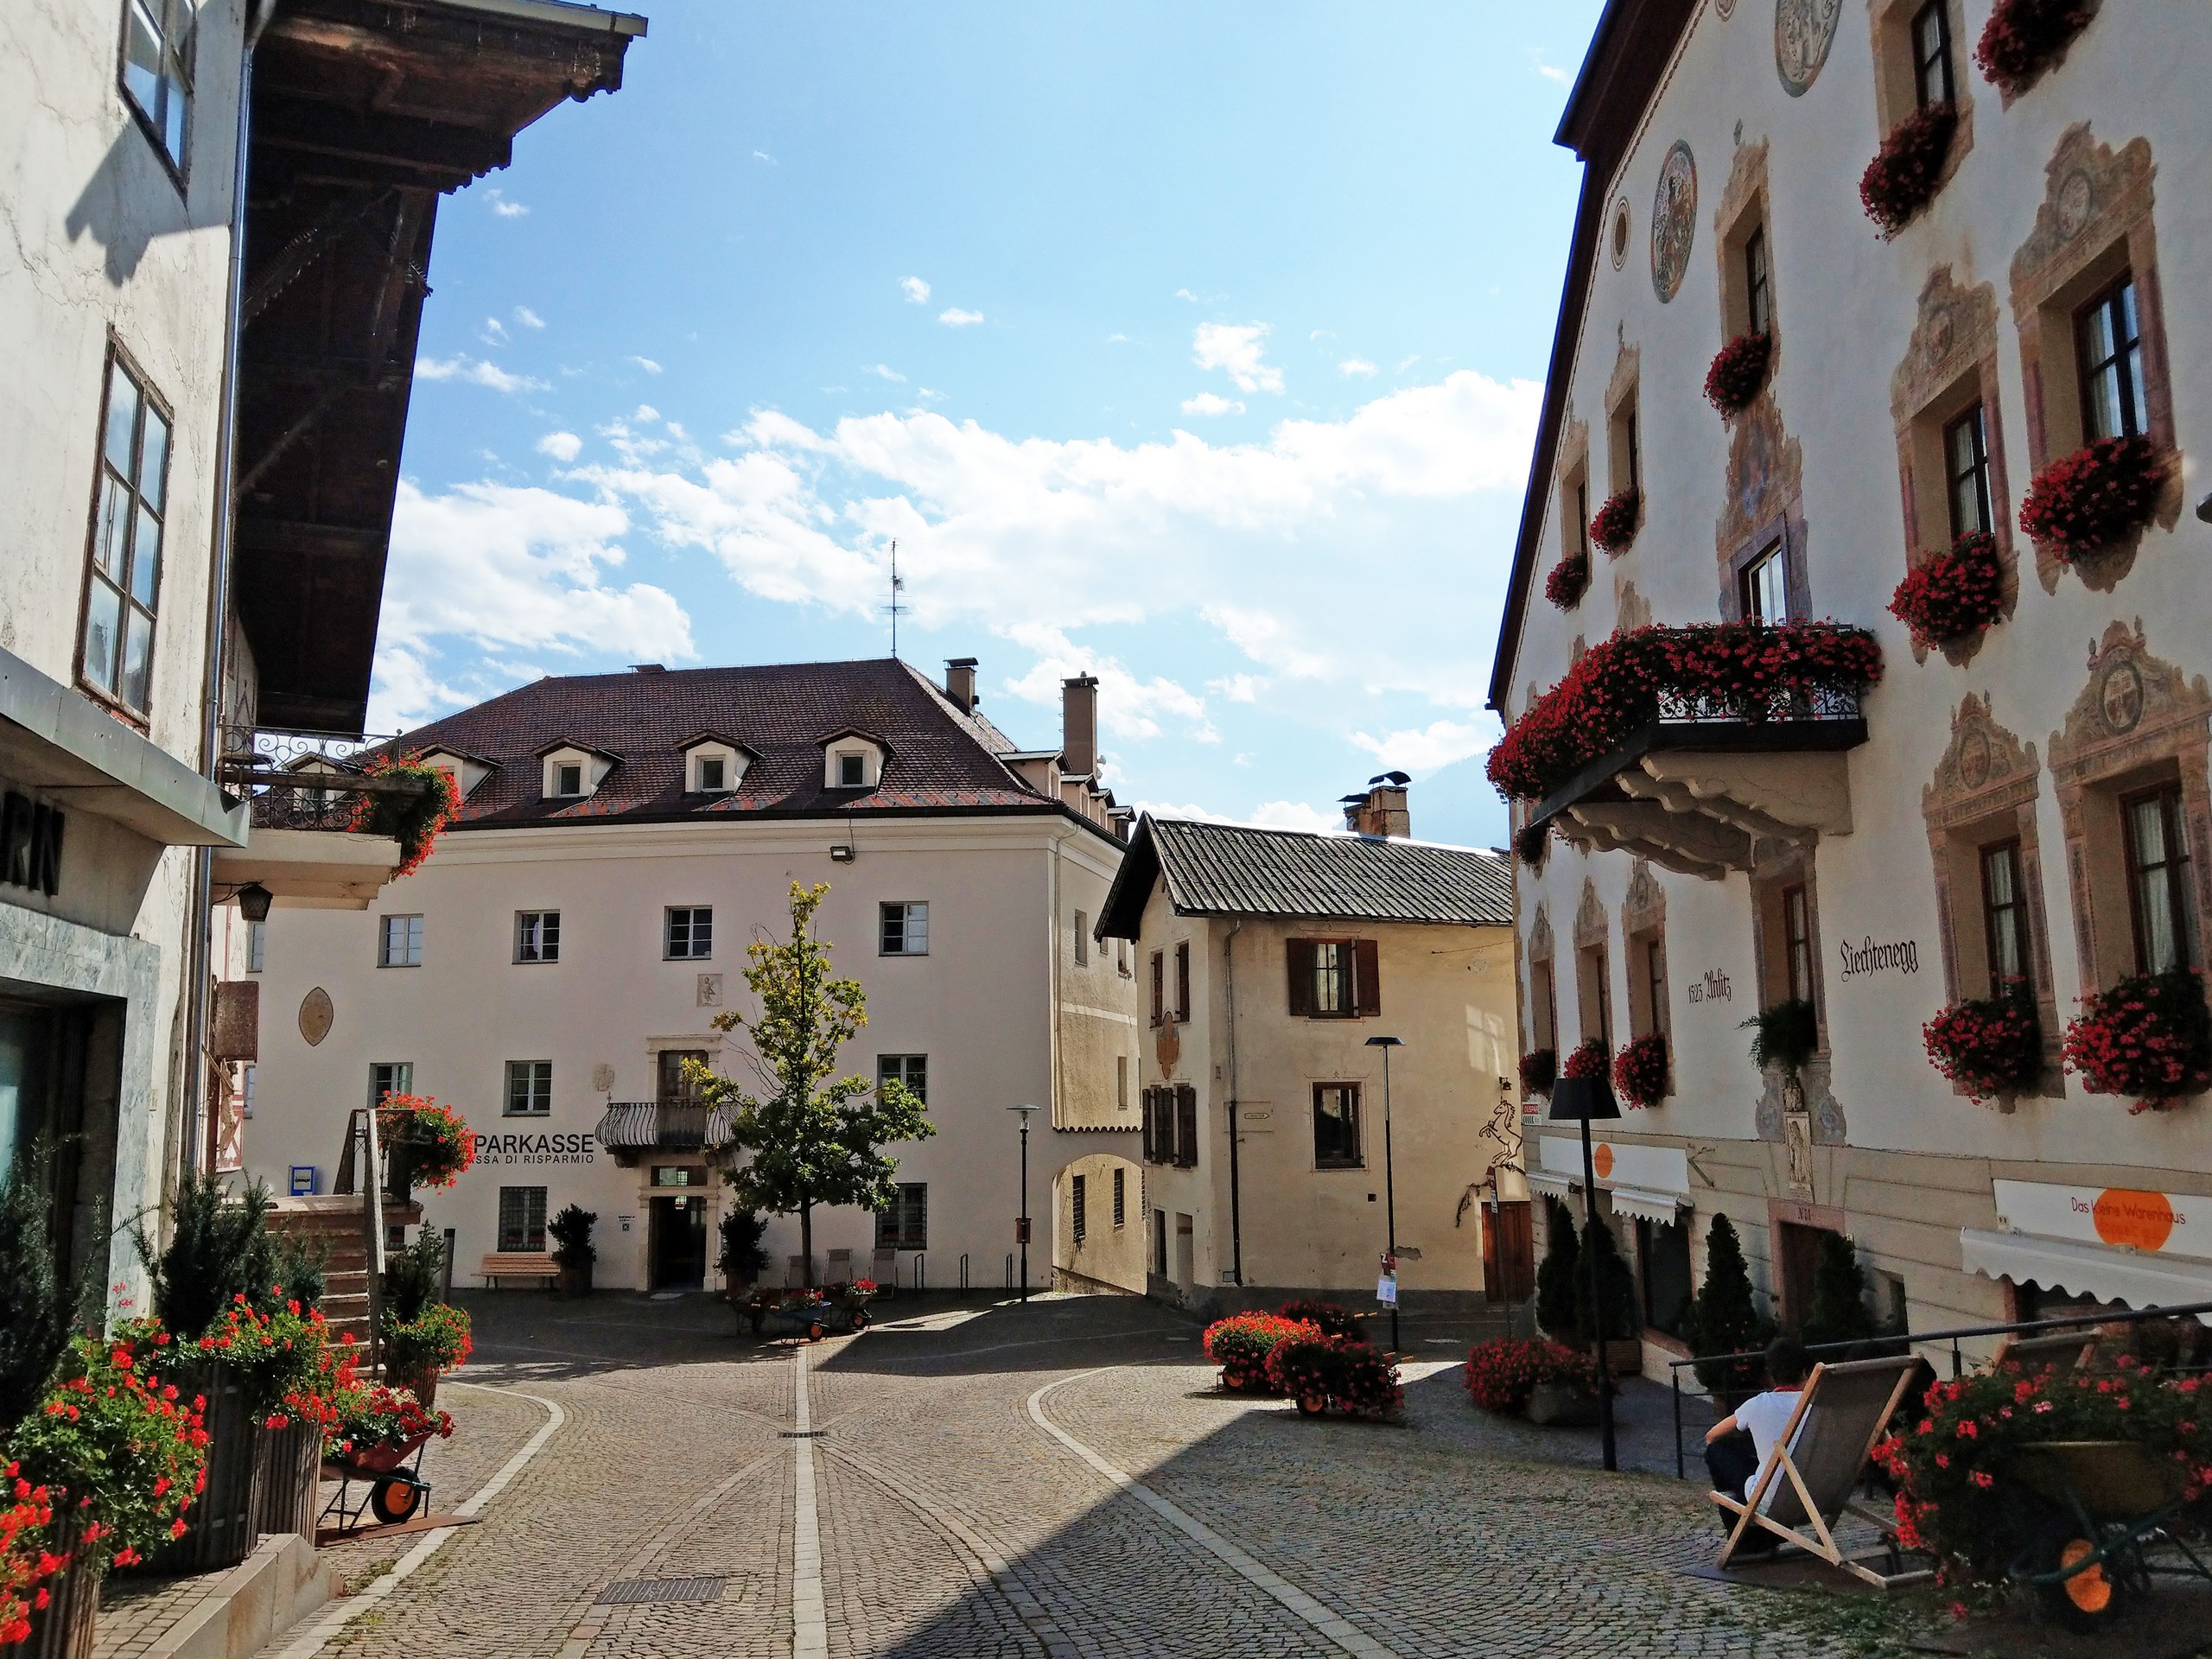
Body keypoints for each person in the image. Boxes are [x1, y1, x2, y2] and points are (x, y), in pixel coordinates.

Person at [1703, 1337, 1811, 1549]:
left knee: (1715, 1451)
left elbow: (1711, 1436)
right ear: (1805, 1372)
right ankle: (1758, 1534)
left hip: (1771, 1501)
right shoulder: (1820, 1406)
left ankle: (1742, 1532)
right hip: (1816, 1498)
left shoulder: (1759, 1404)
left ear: (1771, 1374)